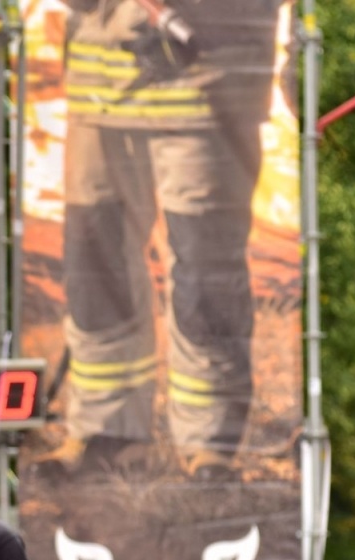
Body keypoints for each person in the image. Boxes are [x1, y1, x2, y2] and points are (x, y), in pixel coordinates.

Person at [41, 0, 285, 479]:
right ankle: (106, 430)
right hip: (100, 94)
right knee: (95, 266)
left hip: (209, 88)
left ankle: (210, 442)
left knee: (205, 271)